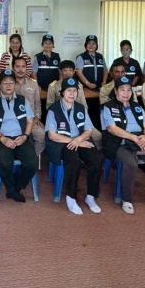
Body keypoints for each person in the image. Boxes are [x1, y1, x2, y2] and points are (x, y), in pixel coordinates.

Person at [100, 77, 145, 215]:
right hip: (119, 144)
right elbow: (112, 129)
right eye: (122, 90)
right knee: (130, 164)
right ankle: (126, 200)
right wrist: (133, 138)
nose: (126, 93)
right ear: (116, 91)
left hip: (140, 141)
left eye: (129, 90)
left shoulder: (137, 107)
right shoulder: (107, 107)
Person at [45, 77, 102, 215]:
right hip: (61, 143)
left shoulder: (81, 108)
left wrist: (79, 140)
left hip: (80, 140)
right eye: (68, 91)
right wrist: (74, 141)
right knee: (73, 160)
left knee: (96, 159)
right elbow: (52, 135)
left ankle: (90, 197)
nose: (72, 94)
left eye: (74, 91)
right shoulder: (53, 109)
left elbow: (89, 130)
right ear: (62, 93)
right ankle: (71, 198)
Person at [0, 69, 37, 202]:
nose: (8, 85)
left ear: (15, 85)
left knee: (32, 163)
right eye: (5, 83)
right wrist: (2, 138)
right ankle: (11, 189)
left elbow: (30, 121)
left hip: (21, 138)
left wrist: (25, 136)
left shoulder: (22, 100)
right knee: (5, 162)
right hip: (0, 139)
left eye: (11, 82)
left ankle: (16, 188)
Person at [12, 56, 46, 157]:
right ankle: (16, 156)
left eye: (23, 66)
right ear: (13, 68)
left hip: (30, 120)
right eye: (17, 66)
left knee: (43, 135)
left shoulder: (33, 84)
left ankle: (31, 157)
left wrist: (37, 117)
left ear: (27, 68)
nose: (20, 69)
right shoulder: (8, 83)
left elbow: (37, 103)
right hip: (12, 120)